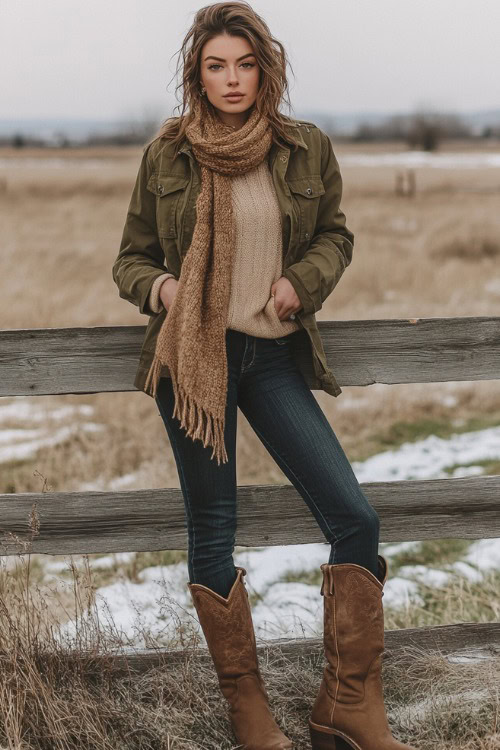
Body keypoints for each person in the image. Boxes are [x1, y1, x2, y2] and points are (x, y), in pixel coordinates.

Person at [112, 3, 416, 749]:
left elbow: (337, 235)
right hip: (192, 365)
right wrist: (164, 292)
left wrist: (301, 282)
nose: (232, 79)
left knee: (356, 519)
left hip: (272, 356)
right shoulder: (167, 155)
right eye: (217, 65)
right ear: (198, 73)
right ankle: (250, 717)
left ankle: (346, 705)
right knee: (213, 534)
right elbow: (131, 259)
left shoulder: (303, 147)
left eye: (245, 64)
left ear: (265, 69)